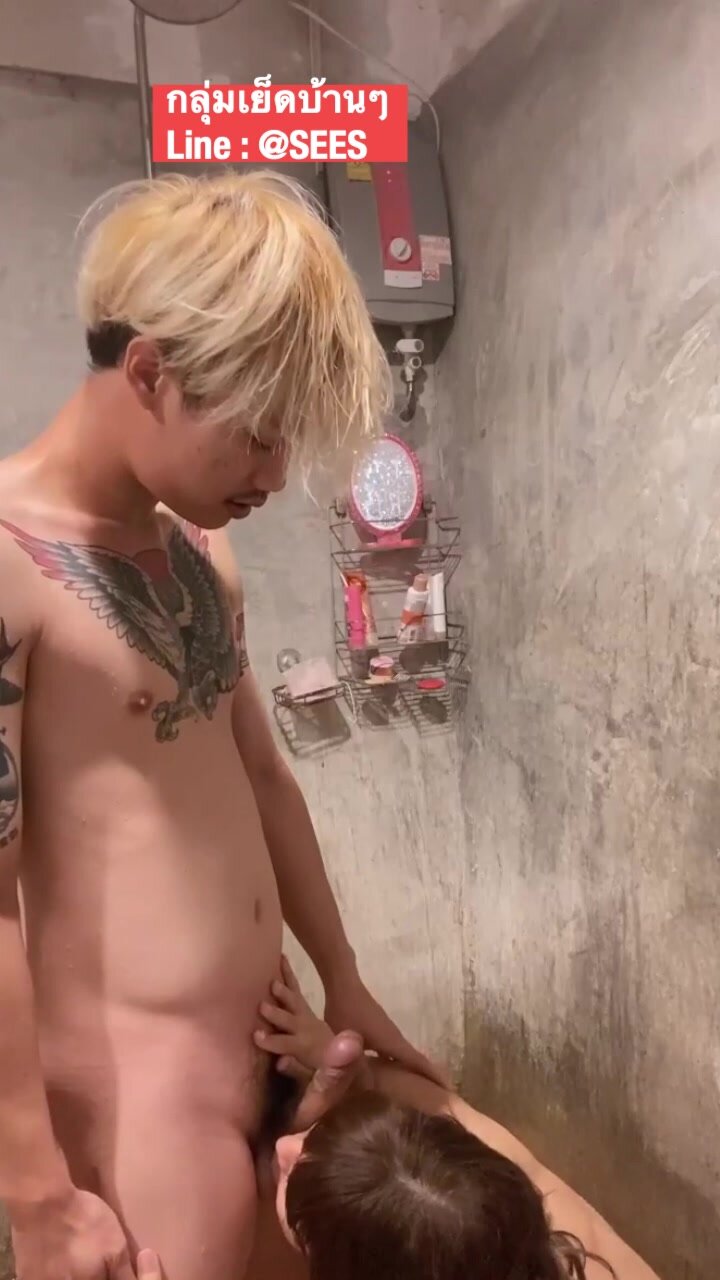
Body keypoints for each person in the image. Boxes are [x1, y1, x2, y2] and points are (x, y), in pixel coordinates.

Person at [0, 169, 441, 1280]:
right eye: (257, 435)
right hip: (141, 1102)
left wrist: (343, 976)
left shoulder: (201, 550)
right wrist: (37, 1194)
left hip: (281, 1051)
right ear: (150, 372)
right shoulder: (7, 562)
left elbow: (263, 774)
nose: (275, 474)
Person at [244, 959, 662, 1280]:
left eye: (293, 1180)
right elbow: (433, 1104)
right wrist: (348, 1071)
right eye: (311, 1138)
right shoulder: (561, 1246)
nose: (285, 1145)